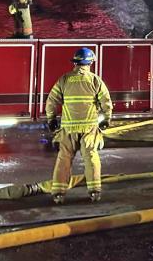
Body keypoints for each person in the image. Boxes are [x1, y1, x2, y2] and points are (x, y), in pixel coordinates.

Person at [45, 47, 113, 204]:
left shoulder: (64, 79)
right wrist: (106, 119)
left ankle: (58, 194)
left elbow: (51, 101)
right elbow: (106, 102)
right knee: (91, 158)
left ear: (75, 62)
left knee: (63, 159)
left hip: (68, 129)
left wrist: (51, 119)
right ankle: (95, 191)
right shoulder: (95, 80)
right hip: (89, 129)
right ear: (90, 63)